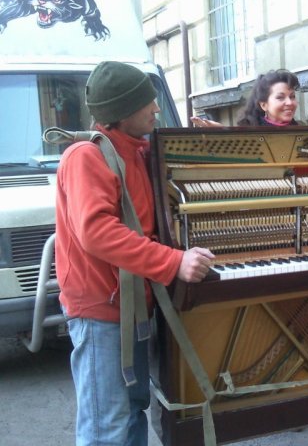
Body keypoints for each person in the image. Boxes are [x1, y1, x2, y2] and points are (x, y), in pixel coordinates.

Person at [55, 60, 215, 445]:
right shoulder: (86, 157)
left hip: (134, 307)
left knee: (132, 412)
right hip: (102, 314)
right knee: (106, 426)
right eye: (147, 103)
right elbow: (96, 232)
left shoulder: (138, 153)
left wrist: (212, 140)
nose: (156, 109)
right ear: (122, 110)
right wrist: (174, 262)